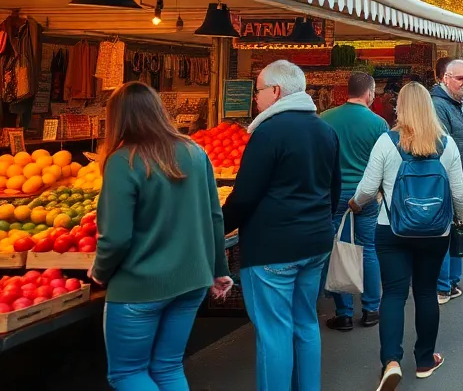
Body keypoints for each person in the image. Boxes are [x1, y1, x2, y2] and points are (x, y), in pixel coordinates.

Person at [90, 82, 231, 390]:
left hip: (140, 286)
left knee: (127, 373)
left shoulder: (122, 161)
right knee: (167, 368)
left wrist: (99, 272)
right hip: (193, 279)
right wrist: (219, 270)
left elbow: (114, 237)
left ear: (117, 118)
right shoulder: (195, 151)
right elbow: (214, 216)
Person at [223, 60, 341, 391]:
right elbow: (333, 191)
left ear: (275, 92)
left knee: (273, 331)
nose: (255, 98)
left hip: (272, 248)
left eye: (258, 90)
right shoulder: (325, 130)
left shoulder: (267, 133)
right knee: (305, 323)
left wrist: (218, 227)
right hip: (316, 243)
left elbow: (244, 196)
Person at [349, 82, 463, 390]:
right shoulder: (446, 144)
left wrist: (356, 203)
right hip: (435, 232)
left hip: (391, 230)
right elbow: (459, 194)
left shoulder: (386, 142)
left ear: (399, 108)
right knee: (426, 292)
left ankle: (390, 361)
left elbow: (367, 187)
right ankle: (426, 360)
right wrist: (461, 223)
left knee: (394, 294)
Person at [320, 71, 388, 331]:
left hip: (334, 195)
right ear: (369, 93)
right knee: (368, 249)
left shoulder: (325, 119)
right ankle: (371, 309)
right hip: (366, 196)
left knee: (339, 250)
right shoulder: (378, 124)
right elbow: (381, 165)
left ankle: (344, 312)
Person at [430, 59, 463, 302]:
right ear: (445, 78)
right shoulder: (438, 105)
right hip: (447, 179)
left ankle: (452, 281)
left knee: (459, 229)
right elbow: (442, 146)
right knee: (446, 232)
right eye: (460, 78)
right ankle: (442, 285)